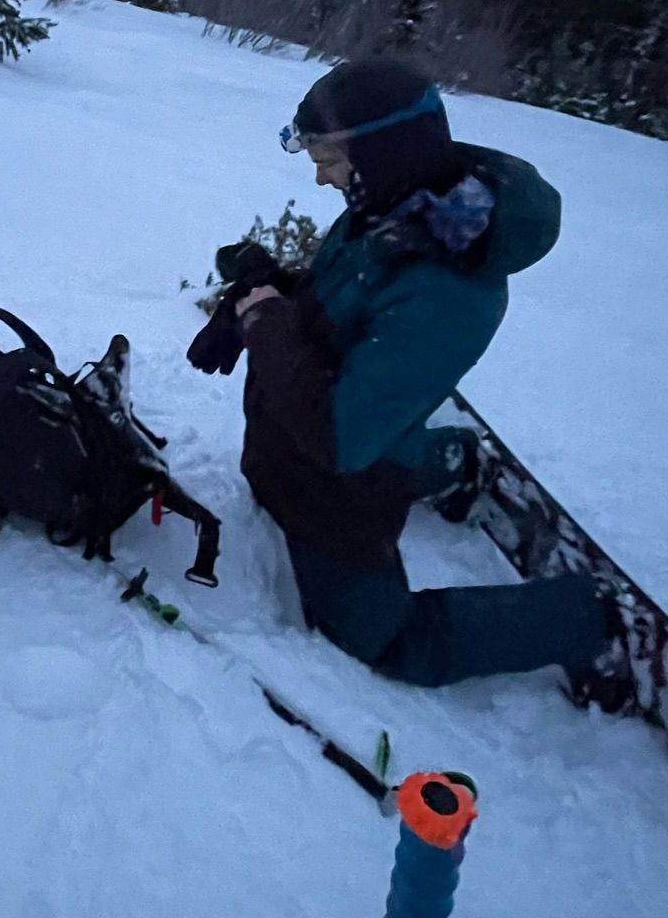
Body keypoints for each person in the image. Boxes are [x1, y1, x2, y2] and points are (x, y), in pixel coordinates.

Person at [188, 55, 613, 689]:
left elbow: (340, 438)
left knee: (382, 640)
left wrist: (268, 324)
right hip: (292, 460)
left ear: (384, 152)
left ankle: (585, 617)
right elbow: (337, 311)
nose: (320, 176)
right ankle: (455, 464)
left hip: (339, 495)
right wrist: (266, 288)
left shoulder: (449, 292)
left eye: (329, 159)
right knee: (362, 435)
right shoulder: (393, 209)